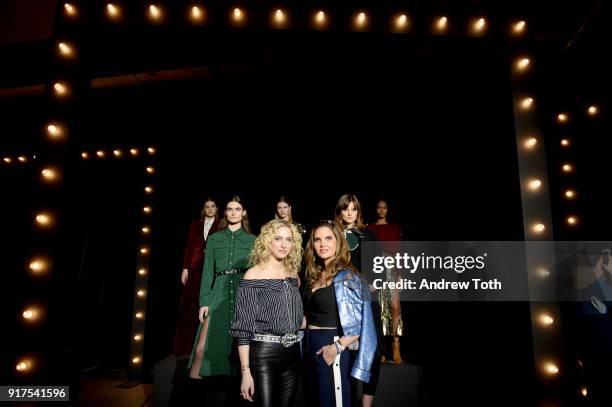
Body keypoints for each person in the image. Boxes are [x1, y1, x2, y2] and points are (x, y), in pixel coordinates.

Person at [230, 219, 304, 406]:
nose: (283, 244)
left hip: (294, 353)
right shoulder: (253, 274)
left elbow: (294, 312)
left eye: (289, 239)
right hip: (264, 355)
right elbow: (243, 328)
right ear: (267, 241)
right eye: (278, 238)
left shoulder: (293, 272)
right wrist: (245, 372)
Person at [303, 220, 376, 407]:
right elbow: (309, 316)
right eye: (317, 239)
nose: (322, 244)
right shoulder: (313, 275)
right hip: (310, 344)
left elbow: (362, 323)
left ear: (338, 242)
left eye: (328, 238)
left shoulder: (349, 276)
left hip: (332, 346)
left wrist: (335, 348)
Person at [188, 195, 256, 381]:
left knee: (240, 348)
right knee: (202, 349)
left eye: (237, 209)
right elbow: (207, 272)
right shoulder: (215, 239)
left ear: (244, 213)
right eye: (229, 209)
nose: (233, 213)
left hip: (243, 293)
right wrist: (204, 301)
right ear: (225, 213)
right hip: (218, 293)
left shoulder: (253, 240)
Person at [334, 194, 380, 407]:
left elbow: (377, 267)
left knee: (372, 350)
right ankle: (349, 401)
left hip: (366, 298)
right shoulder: (333, 234)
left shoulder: (369, 235)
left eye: (353, 209)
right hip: (341, 298)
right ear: (340, 211)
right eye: (346, 209)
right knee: (348, 351)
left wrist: (372, 286)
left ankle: (366, 404)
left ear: (358, 212)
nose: (350, 212)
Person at [174, 198, 219, 357]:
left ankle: (205, 346)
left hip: (212, 269)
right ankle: (185, 348)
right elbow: (189, 246)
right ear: (203, 208)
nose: (210, 209)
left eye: (213, 206)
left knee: (207, 305)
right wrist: (185, 268)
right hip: (195, 267)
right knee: (190, 306)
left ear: (217, 208)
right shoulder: (195, 224)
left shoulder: (221, 224)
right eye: (207, 206)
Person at [366, 199, 404, 364]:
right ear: (376, 210)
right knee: (379, 310)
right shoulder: (369, 228)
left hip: (392, 268)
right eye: (379, 207)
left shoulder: (394, 228)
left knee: (395, 307)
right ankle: (381, 350)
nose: (381, 210)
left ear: (388, 210)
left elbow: (400, 251)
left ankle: (396, 345)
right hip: (376, 268)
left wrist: (400, 273)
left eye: (384, 207)